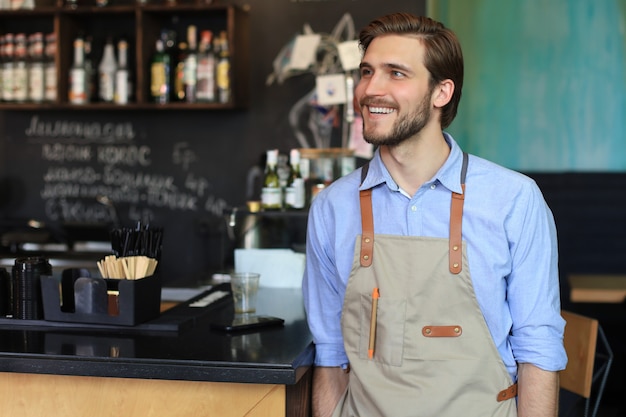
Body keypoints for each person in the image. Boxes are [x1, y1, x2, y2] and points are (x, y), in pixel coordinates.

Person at [302, 12, 567, 417]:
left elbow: (539, 350)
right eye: (367, 72)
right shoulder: (332, 208)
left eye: (396, 73)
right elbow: (330, 355)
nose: (371, 89)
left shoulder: (514, 200)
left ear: (441, 92)